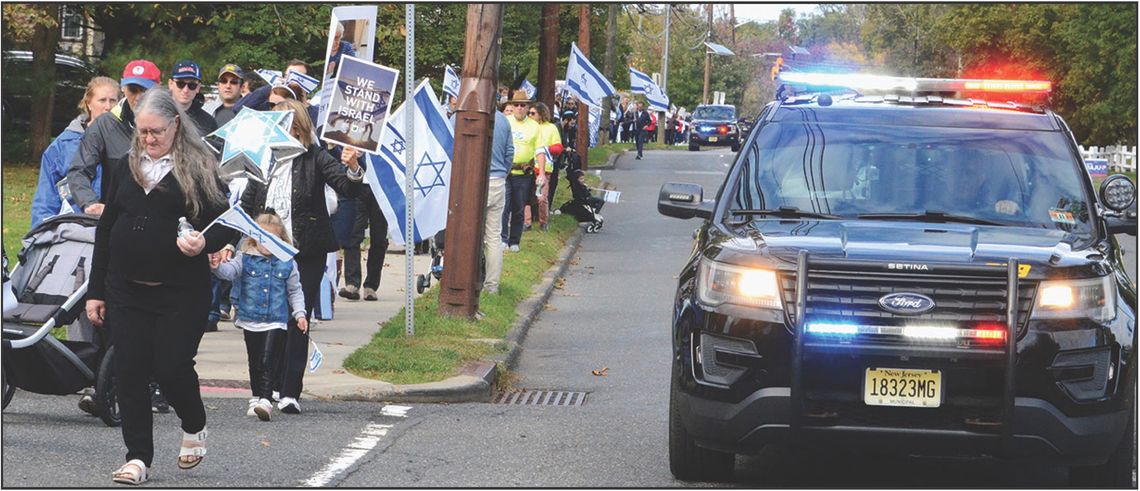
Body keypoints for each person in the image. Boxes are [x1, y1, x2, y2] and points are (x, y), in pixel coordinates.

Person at [86, 88, 233, 485]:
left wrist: (205, 242)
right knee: (130, 371)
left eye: (156, 132)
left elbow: (226, 222)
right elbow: (106, 230)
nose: (148, 140)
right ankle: (137, 458)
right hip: (125, 289)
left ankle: (194, 421)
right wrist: (95, 290)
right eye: (142, 132)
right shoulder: (124, 166)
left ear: (175, 126)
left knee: (170, 367)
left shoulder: (199, 168)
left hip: (179, 292)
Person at [239, 99, 363, 415]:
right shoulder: (263, 161)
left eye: (287, 126)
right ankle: (270, 386)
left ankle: (291, 390)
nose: (282, 132)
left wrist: (352, 167)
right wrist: (234, 240)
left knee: (298, 317)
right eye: (277, 126)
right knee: (269, 319)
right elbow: (249, 203)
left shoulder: (316, 156)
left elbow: (346, 188)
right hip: (267, 250)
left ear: (298, 127)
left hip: (305, 250)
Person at [209, 212, 307, 422]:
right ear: (253, 238)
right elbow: (229, 273)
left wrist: (300, 313)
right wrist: (216, 266)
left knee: (268, 358)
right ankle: (256, 395)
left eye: (274, 240)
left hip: (276, 318)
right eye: (263, 239)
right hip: (250, 317)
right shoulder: (245, 258)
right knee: (254, 359)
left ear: (281, 240)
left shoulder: (287, 262)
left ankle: (266, 399)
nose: (268, 245)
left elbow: (295, 290)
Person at [68, 59, 161, 217]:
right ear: (124, 88)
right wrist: (89, 203)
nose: (138, 97)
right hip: (118, 218)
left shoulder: (172, 124)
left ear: (157, 89)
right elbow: (79, 170)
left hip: (159, 217)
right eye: (133, 89)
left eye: (144, 90)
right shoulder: (104, 125)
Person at [31, 76, 118, 228]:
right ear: (88, 103)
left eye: (113, 101)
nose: (108, 106)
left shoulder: (127, 143)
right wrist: (40, 234)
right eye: (102, 100)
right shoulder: (62, 146)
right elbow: (46, 199)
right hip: (71, 231)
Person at [338, 147, 388, 301]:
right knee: (353, 234)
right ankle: (352, 284)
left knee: (379, 238)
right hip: (358, 184)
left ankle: (371, 286)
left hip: (381, 186)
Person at [501, 92, 540, 252]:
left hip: (524, 173)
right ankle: (503, 238)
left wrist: (541, 173)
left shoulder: (534, 126)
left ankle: (514, 240)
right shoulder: (505, 122)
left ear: (527, 107)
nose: (519, 108)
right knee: (504, 206)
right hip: (505, 172)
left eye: (522, 105)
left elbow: (540, 150)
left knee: (519, 207)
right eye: (516, 105)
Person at [524, 102, 561, 232]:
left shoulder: (551, 128)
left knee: (541, 197)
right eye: (529, 113)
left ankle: (543, 222)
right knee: (526, 196)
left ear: (541, 114)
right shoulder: (526, 127)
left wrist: (545, 149)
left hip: (544, 168)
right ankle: (526, 222)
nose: (530, 115)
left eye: (533, 113)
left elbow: (558, 147)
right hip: (527, 167)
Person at [167, 60, 218, 136]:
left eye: (192, 85)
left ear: (198, 87)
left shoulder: (209, 123)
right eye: (180, 84)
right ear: (171, 84)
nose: (185, 90)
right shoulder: (157, 114)